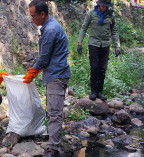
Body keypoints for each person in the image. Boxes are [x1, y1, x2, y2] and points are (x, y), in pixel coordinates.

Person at [23, 1, 71, 156]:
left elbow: (44, 57)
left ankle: (53, 148)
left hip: (56, 75)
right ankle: (53, 142)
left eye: (33, 16)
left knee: (55, 113)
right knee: (52, 110)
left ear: (42, 14)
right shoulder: (51, 26)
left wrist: (33, 70)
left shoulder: (50, 30)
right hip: (56, 73)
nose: (32, 19)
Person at [77, 0, 121, 101]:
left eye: (106, 6)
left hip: (105, 45)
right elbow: (84, 28)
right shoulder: (91, 14)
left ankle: (100, 92)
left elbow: (114, 31)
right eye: (102, 5)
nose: (104, 7)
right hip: (93, 44)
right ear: (99, 4)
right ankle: (93, 92)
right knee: (94, 67)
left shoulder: (111, 15)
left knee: (102, 69)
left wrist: (117, 46)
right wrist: (79, 43)